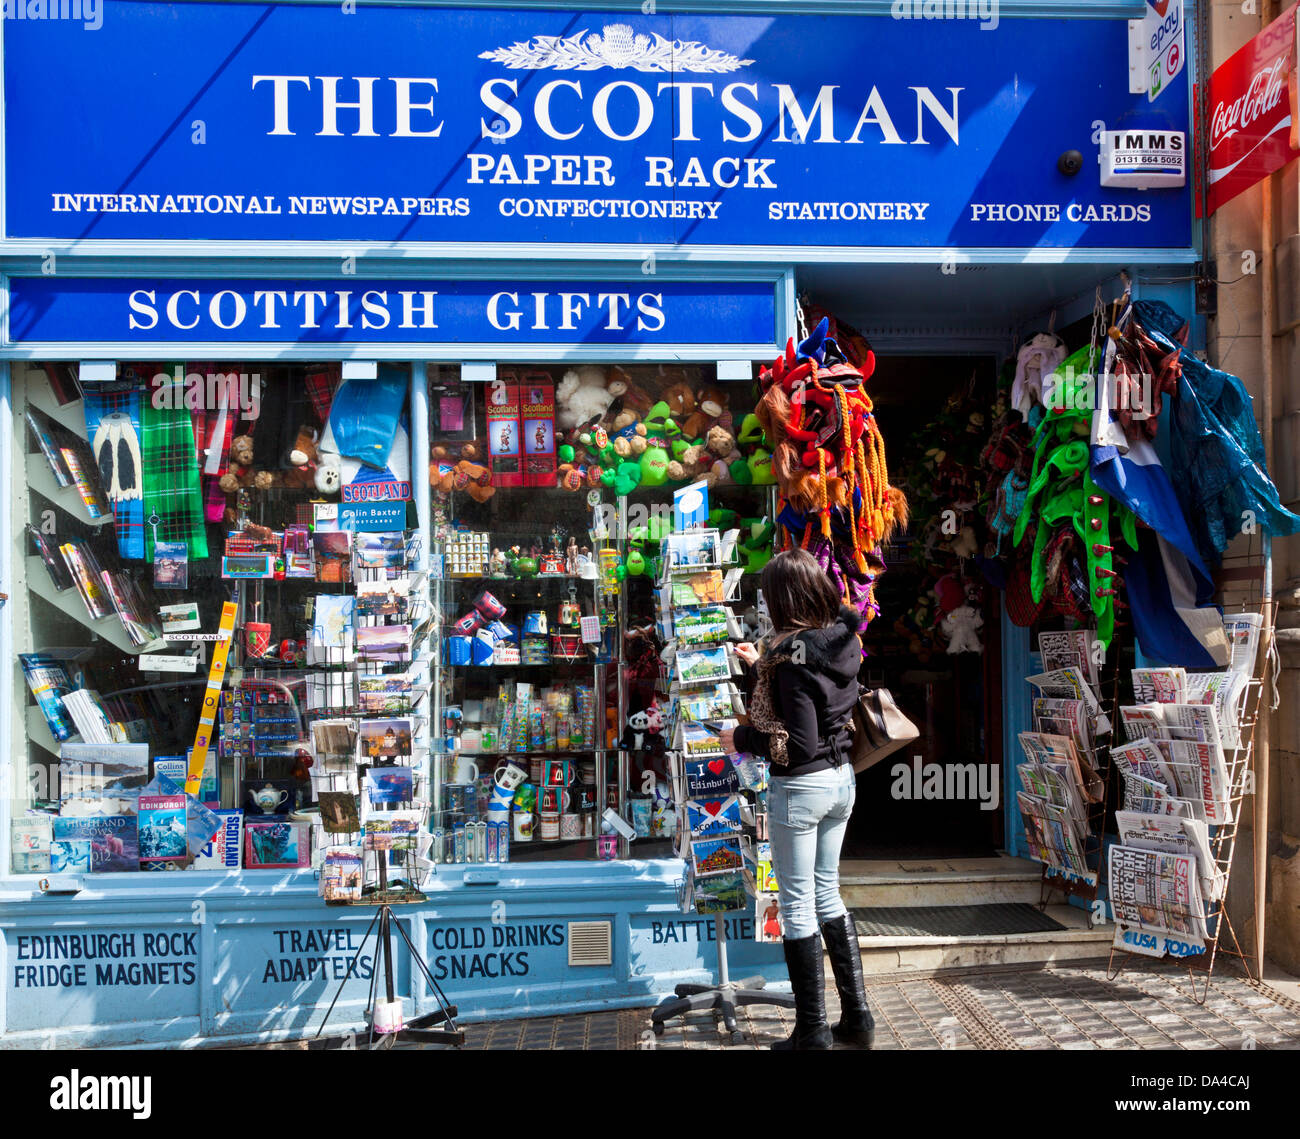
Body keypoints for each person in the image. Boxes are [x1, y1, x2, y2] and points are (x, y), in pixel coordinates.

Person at [720, 548, 875, 1050]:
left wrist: (741, 739)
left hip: (803, 787)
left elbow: (800, 741)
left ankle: (812, 1031)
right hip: (841, 781)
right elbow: (814, 697)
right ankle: (858, 1019)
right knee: (827, 894)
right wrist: (761, 664)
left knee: (798, 905)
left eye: (769, 597)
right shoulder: (840, 643)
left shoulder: (792, 658)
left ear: (784, 599)